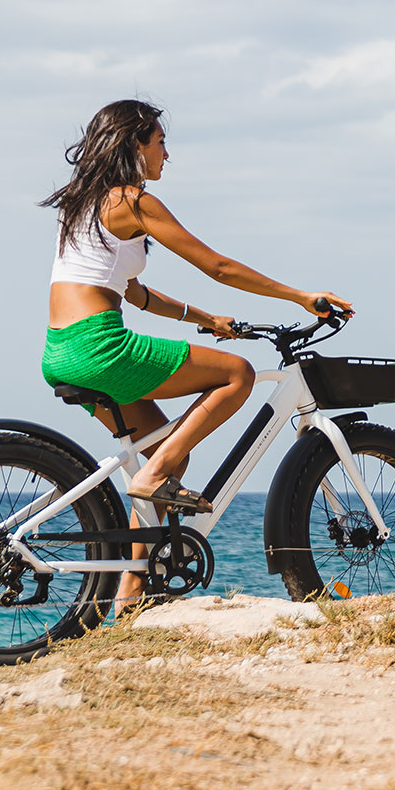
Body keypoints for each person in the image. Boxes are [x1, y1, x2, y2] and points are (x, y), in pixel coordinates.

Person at [40, 99, 352, 613]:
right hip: (100, 346)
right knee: (237, 374)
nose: (167, 153)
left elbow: (134, 292)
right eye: (160, 142)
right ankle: (153, 478)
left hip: (63, 350)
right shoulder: (133, 201)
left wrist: (204, 319)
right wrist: (300, 296)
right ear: (134, 145)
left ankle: (129, 595)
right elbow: (219, 265)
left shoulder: (85, 204)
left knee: (168, 447)